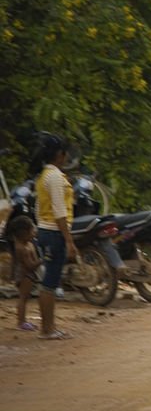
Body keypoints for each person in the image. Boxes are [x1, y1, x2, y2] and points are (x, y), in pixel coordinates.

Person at [31, 134, 76, 340]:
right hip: (54, 231)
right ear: (60, 155)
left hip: (44, 229)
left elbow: (39, 208)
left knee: (47, 282)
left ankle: (48, 327)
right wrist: (69, 240)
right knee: (50, 282)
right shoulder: (56, 177)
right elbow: (59, 212)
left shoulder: (43, 176)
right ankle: (48, 329)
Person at [6, 215, 42, 330]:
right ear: (24, 233)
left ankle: (23, 321)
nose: (35, 232)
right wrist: (44, 259)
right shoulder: (22, 248)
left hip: (28, 274)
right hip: (24, 276)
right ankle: (21, 322)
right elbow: (30, 265)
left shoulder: (29, 243)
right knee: (23, 298)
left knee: (25, 298)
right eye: (32, 230)